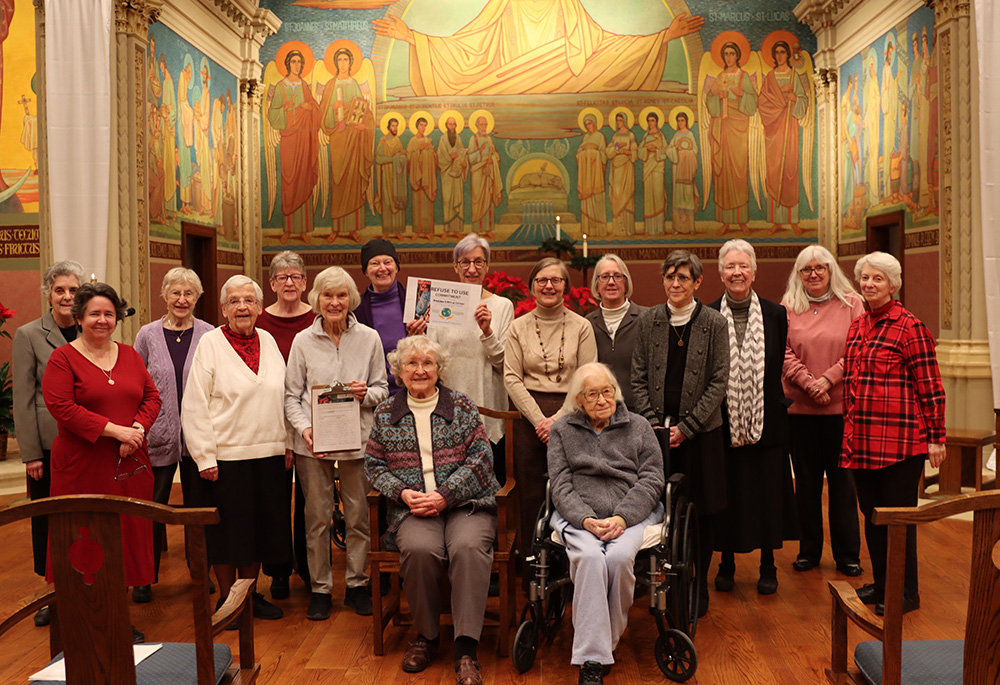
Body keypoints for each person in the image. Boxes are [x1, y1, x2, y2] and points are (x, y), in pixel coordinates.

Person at [365, 336, 500, 685]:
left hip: (466, 503)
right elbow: (374, 465)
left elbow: (483, 458)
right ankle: (427, 637)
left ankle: (466, 649)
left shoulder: (462, 406)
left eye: (428, 363)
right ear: (399, 371)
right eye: (412, 363)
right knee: (421, 549)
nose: (420, 370)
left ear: (439, 370)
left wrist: (445, 494)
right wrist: (404, 493)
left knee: (468, 548)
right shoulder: (385, 413)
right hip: (412, 508)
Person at [41, 282, 162, 644]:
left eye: (109, 313)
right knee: (85, 541)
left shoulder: (130, 355)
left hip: (129, 465)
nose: (102, 320)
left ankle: (116, 617)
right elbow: (62, 408)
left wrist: (137, 430)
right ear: (79, 317)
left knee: (123, 539)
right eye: (94, 313)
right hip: (82, 468)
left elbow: (152, 396)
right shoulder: (62, 358)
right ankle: (84, 620)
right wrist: (115, 432)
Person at [181, 275, 290, 625]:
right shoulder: (210, 344)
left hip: (269, 455)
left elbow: (283, 394)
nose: (242, 307)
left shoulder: (269, 340)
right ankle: (228, 603)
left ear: (259, 307)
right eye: (234, 301)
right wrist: (204, 455)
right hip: (225, 458)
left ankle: (250, 597)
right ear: (224, 308)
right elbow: (194, 403)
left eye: (249, 300)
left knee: (260, 530)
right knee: (227, 533)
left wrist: (287, 442)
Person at [548, 363, 664, 684]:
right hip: (580, 517)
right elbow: (559, 484)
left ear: (616, 392)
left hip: (630, 516)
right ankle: (593, 660)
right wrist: (585, 518)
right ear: (579, 401)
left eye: (607, 391)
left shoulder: (639, 427)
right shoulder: (562, 430)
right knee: (588, 558)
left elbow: (653, 479)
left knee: (617, 557)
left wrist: (622, 516)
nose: (602, 400)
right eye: (592, 394)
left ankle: (603, 644)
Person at [843, 251, 945, 616]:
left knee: (898, 520)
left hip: (902, 443)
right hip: (863, 442)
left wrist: (936, 437)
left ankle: (906, 592)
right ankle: (883, 582)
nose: (870, 284)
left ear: (894, 285)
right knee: (872, 516)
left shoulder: (910, 326)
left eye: (878, 279)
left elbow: (930, 385)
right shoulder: (858, 326)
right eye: (865, 278)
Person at [285, 266, 389, 620]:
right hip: (313, 446)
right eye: (327, 295)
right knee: (316, 519)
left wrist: (366, 394)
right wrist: (305, 430)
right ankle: (320, 589)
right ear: (316, 299)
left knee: (359, 517)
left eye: (341, 295)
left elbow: (383, 389)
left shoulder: (369, 338)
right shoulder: (302, 341)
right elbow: (291, 397)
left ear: (351, 299)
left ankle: (358, 585)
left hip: (358, 443)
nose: (334, 302)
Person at [631, 250, 728, 617]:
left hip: (701, 436)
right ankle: (662, 585)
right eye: (670, 277)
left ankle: (696, 585)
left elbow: (719, 382)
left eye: (684, 278)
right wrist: (653, 423)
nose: (676, 284)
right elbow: (638, 375)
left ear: (698, 282)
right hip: (656, 434)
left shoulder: (714, 323)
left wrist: (686, 428)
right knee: (660, 510)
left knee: (700, 513)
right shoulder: (650, 320)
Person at [709, 240, 797, 595]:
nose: (737, 273)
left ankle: (767, 564)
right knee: (727, 493)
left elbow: (775, 365)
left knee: (767, 495)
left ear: (754, 272)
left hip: (767, 423)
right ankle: (726, 562)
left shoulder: (776, 314)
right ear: (720, 273)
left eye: (743, 266)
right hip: (724, 423)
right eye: (730, 267)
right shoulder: (710, 314)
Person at [370, 2, 703, 96]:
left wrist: (664, 37)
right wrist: (412, 37)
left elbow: (603, 46)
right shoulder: (504, 4)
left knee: (607, 61)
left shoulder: (566, 4)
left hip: (562, 70)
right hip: (507, 76)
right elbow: (470, 43)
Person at [504, 257, 598, 566]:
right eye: (542, 280)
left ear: (566, 288)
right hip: (526, 418)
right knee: (529, 491)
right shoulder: (517, 327)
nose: (548, 286)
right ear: (532, 287)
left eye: (556, 280)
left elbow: (587, 377)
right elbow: (511, 378)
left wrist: (557, 420)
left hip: (572, 414)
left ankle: (571, 561)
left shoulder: (582, 326)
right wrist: (539, 421)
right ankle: (533, 560)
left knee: (570, 488)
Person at [132, 267, 214, 604]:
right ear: (164, 295)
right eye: (175, 293)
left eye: (189, 293)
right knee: (152, 509)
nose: (182, 300)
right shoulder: (147, 335)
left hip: (198, 439)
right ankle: (143, 577)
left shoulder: (210, 334)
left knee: (200, 510)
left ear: (198, 297)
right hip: (157, 438)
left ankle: (201, 571)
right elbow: (134, 384)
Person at [781, 245, 864, 577]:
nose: (813, 274)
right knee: (807, 484)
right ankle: (809, 550)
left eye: (820, 268)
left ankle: (847, 555)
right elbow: (782, 351)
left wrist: (828, 380)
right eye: (806, 270)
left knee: (843, 485)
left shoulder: (851, 303)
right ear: (798, 275)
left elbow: (859, 347)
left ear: (831, 271)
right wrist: (807, 381)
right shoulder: (787, 307)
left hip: (841, 409)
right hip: (800, 410)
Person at [12, 260, 84, 627]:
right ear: (49, 294)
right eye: (60, 290)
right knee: (47, 522)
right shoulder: (29, 335)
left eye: (73, 290)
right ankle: (49, 593)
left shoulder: (94, 327)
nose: (67, 297)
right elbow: (23, 399)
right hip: (47, 447)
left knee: (84, 518)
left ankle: (86, 585)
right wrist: (29, 454)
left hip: (88, 444)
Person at [426, 234, 514, 481]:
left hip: (489, 414)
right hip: (449, 416)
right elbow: (432, 361)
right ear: (455, 266)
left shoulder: (502, 306)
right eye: (465, 262)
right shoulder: (442, 301)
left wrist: (487, 331)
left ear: (487, 266)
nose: (472, 269)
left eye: (479, 262)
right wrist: (418, 339)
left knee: (491, 487)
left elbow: (504, 363)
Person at [256, 250, 314, 599]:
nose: (289, 282)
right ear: (272, 283)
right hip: (270, 423)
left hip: (309, 424)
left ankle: (309, 569)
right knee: (274, 500)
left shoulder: (318, 318)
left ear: (305, 283)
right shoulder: (259, 321)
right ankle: (278, 570)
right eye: (282, 277)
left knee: (311, 501)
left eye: (296, 277)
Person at [318, 47, 374, 243]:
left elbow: (363, 109)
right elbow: (322, 115)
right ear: (336, 63)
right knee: (339, 180)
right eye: (340, 59)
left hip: (354, 139)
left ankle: (352, 228)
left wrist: (362, 125)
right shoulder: (331, 85)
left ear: (350, 63)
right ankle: (336, 228)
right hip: (338, 138)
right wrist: (333, 111)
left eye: (346, 59)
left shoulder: (354, 84)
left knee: (353, 179)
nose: (343, 63)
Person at [266, 49, 320, 244]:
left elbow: (315, 107)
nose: (297, 65)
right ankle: (288, 229)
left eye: (299, 62)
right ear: (288, 64)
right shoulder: (281, 87)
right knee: (289, 182)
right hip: (289, 141)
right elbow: (273, 114)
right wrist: (287, 109)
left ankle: (303, 229)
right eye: (294, 61)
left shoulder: (304, 85)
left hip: (304, 142)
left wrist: (310, 107)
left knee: (304, 180)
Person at [355, 238, 422, 396]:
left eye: (388, 262)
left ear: (397, 267)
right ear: (365, 271)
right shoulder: (356, 309)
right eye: (374, 263)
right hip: (373, 394)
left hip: (413, 390)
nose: (382, 268)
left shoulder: (418, 302)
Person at [705, 42, 758, 235]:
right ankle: (726, 222)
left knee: (739, 173)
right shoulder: (720, 77)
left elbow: (753, 101)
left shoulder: (743, 77)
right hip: (723, 127)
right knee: (724, 173)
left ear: (737, 56)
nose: (729, 57)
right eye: (725, 54)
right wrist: (717, 96)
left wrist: (741, 93)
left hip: (739, 127)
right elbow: (709, 100)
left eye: (732, 53)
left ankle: (742, 220)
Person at [758, 41, 809, 234]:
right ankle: (776, 221)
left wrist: (795, 98)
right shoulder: (770, 77)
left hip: (790, 128)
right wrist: (779, 102)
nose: (779, 55)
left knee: (789, 170)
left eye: (782, 52)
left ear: (788, 55)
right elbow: (761, 101)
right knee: (774, 170)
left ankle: (793, 220)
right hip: (773, 130)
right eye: (776, 52)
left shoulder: (793, 75)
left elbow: (803, 100)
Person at [585, 254, 645, 411]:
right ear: (597, 285)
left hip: (640, 411)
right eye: (605, 277)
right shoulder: (587, 324)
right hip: (600, 412)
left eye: (617, 276)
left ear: (626, 283)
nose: (611, 282)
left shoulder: (647, 319)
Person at [467, 115, 503, 235]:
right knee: (477, 199)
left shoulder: (489, 139)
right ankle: (477, 229)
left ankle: (488, 229)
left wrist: (492, 159)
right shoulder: (473, 139)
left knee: (489, 197)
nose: (484, 126)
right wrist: (480, 153)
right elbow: (470, 158)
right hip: (478, 173)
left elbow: (495, 154)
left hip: (489, 172)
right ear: (477, 126)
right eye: (481, 124)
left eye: (485, 124)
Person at [665, 111, 699, 234]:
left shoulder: (690, 134)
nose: (680, 123)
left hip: (687, 171)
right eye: (678, 120)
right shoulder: (676, 135)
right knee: (678, 196)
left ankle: (690, 227)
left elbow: (695, 150)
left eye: (682, 120)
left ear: (686, 121)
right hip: (677, 171)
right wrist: (675, 147)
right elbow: (669, 150)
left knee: (688, 196)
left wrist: (686, 153)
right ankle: (678, 228)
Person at [375, 116, 408, 234]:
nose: (395, 128)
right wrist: (392, 158)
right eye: (393, 125)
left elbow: (401, 154)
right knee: (388, 202)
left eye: (396, 126)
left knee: (397, 200)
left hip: (398, 177)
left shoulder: (397, 140)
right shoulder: (383, 140)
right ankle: (387, 232)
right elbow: (379, 158)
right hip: (387, 175)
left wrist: (402, 154)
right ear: (388, 127)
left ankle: (398, 231)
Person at [606, 112, 637, 235]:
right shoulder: (615, 136)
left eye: (620, 120)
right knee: (616, 195)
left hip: (627, 168)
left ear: (625, 121)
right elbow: (608, 152)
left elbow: (635, 152)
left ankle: (628, 230)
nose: (618, 122)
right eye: (617, 120)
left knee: (627, 195)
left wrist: (629, 152)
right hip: (616, 169)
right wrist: (618, 147)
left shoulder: (630, 135)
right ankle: (618, 230)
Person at [576, 113, 608, 237]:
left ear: (594, 123)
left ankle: (599, 230)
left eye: (589, 123)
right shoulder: (585, 137)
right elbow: (578, 154)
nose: (587, 126)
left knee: (597, 199)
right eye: (585, 125)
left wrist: (593, 152)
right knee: (587, 202)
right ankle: (587, 229)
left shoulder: (600, 136)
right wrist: (585, 151)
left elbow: (604, 155)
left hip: (596, 175)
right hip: (586, 177)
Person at [437, 116, 467, 236]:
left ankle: (456, 229)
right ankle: (447, 229)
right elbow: (440, 156)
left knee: (458, 199)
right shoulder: (443, 139)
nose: (452, 127)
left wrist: (464, 163)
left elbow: (463, 154)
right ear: (446, 125)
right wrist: (450, 157)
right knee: (448, 200)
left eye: (454, 124)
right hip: (447, 175)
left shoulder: (458, 138)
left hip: (457, 174)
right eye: (450, 124)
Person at [407, 117, 437, 234]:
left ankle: (426, 231)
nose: (423, 128)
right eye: (421, 125)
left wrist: (429, 152)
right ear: (416, 126)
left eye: (425, 125)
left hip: (427, 177)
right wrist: (419, 150)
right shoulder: (413, 141)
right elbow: (409, 156)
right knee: (417, 205)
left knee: (427, 206)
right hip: (417, 177)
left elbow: (434, 156)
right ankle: (417, 231)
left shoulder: (427, 140)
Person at [639, 112, 667, 235]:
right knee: (649, 197)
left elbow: (665, 151)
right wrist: (646, 149)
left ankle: (660, 228)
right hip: (648, 168)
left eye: (653, 120)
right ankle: (649, 229)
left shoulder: (661, 135)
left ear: (657, 121)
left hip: (657, 168)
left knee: (658, 195)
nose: (651, 123)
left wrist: (656, 149)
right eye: (649, 120)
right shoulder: (645, 136)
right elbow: (640, 151)